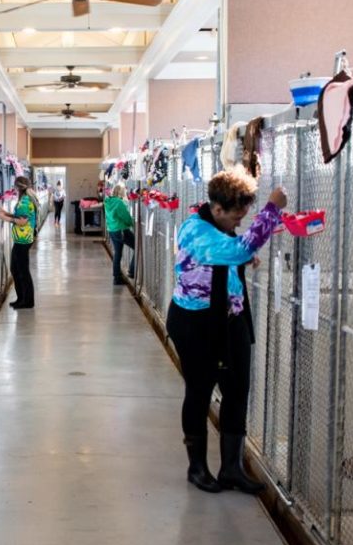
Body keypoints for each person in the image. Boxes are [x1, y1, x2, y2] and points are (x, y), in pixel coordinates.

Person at [165, 168, 287, 493]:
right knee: (200, 391)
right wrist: (272, 208)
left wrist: (240, 258)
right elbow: (237, 250)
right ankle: (197, 468)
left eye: (244, 216)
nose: (239, 222)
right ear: (217, 209)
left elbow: (233, 251)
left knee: (236, 392)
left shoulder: (220, 230)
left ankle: (232, 469)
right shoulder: (196, 230)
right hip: (195, 324)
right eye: (236, 216)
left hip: (229, 319)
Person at [0, 175, 38, 310]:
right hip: (22, 239)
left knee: (21, 270)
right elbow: (19, 216)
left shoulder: (25, 201)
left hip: (23, 240)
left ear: (18, 187)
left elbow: (22, 221)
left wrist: (6, 218)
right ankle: (22, 298)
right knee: (16, 269)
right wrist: (7, 214)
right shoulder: (25, 199)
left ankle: (27, 301)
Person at [104, 182, 136, 286]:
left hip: (112, 231)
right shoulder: (119, 202)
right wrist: (131, 222)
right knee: (137, 247)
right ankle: (132, 271)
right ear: (121, 192)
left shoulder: (107, 202)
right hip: (122, 230)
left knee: (118, 253)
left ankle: (117, 278)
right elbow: (125, 217)